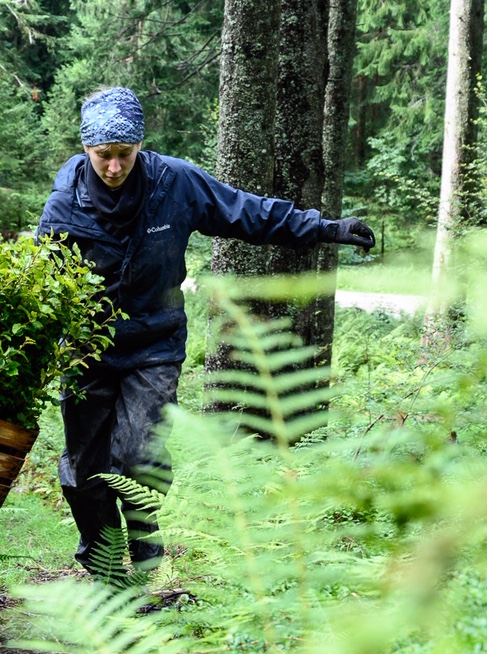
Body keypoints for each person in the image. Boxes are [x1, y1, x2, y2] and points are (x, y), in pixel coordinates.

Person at [36, 87, 374, 577]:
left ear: (140, 147)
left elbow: (248, 212)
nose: (114, 167)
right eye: (103, 156)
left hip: (154, 344)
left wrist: (325, 228)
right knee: (84, 470)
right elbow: (41, 287)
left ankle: (147, 559)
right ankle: (103, 564)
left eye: (124, 155)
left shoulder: (175, 183)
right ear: (87, 149)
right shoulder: (64, 205)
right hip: (87, 349)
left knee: (136, 457)